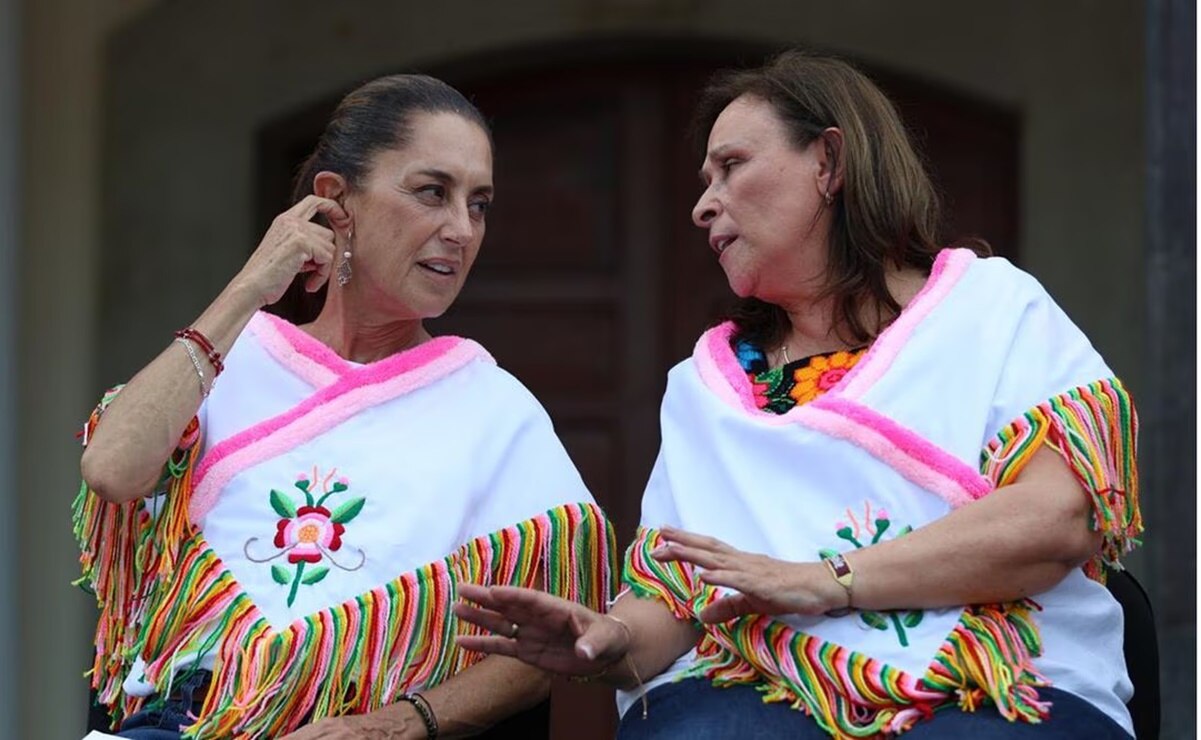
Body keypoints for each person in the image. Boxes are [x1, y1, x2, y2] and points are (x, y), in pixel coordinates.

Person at [453, 51, 1141, 739]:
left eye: (731, 166)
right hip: (759, 691)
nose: (701, 205)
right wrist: (604, 641)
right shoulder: (704, 385)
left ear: (828, 163)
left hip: (994, 681)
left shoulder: (990, 307)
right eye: (703, 180)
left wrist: (824, 579)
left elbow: (1058, 521)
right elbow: (677, 603)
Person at [75, 74, 615, 740]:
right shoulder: (229, 360)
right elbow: (112, 470)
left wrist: (390, 726)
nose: (459, 229)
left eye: (478, 204)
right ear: (333, 201)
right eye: (431, 192)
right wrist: (249, 289)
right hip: (184, 718)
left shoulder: (495, 408)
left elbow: (540, 650)